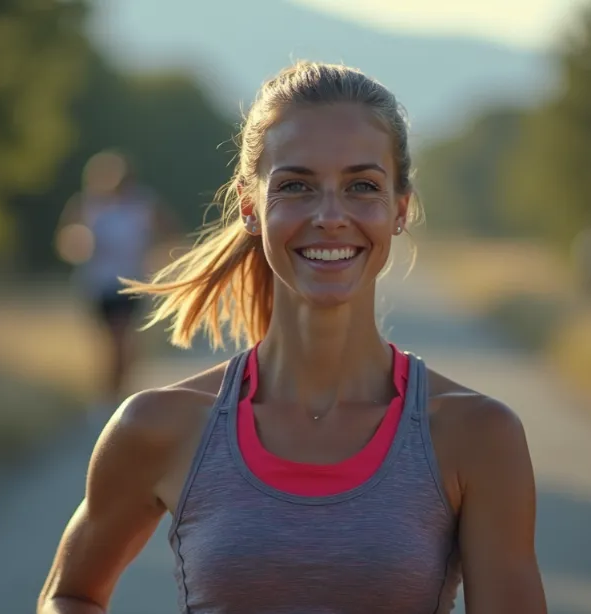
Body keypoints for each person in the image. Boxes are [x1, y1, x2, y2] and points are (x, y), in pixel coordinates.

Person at [38, 62, 547, 614]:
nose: (330, 216)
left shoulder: (478, 435)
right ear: (251, 207)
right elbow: (70, 595)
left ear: (399, 209)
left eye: (361, 186)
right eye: (297, 186)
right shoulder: (159, 426)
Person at [55, 151, 162, 409]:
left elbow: (167, 230)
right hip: (98, 285)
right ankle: (110, 396)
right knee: (110, 345)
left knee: (123, 341)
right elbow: (65, 242)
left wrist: (154, 254)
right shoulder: (86, 206)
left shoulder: (141, 205)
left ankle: (115, 396)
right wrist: (79, 244)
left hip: (131, 283)